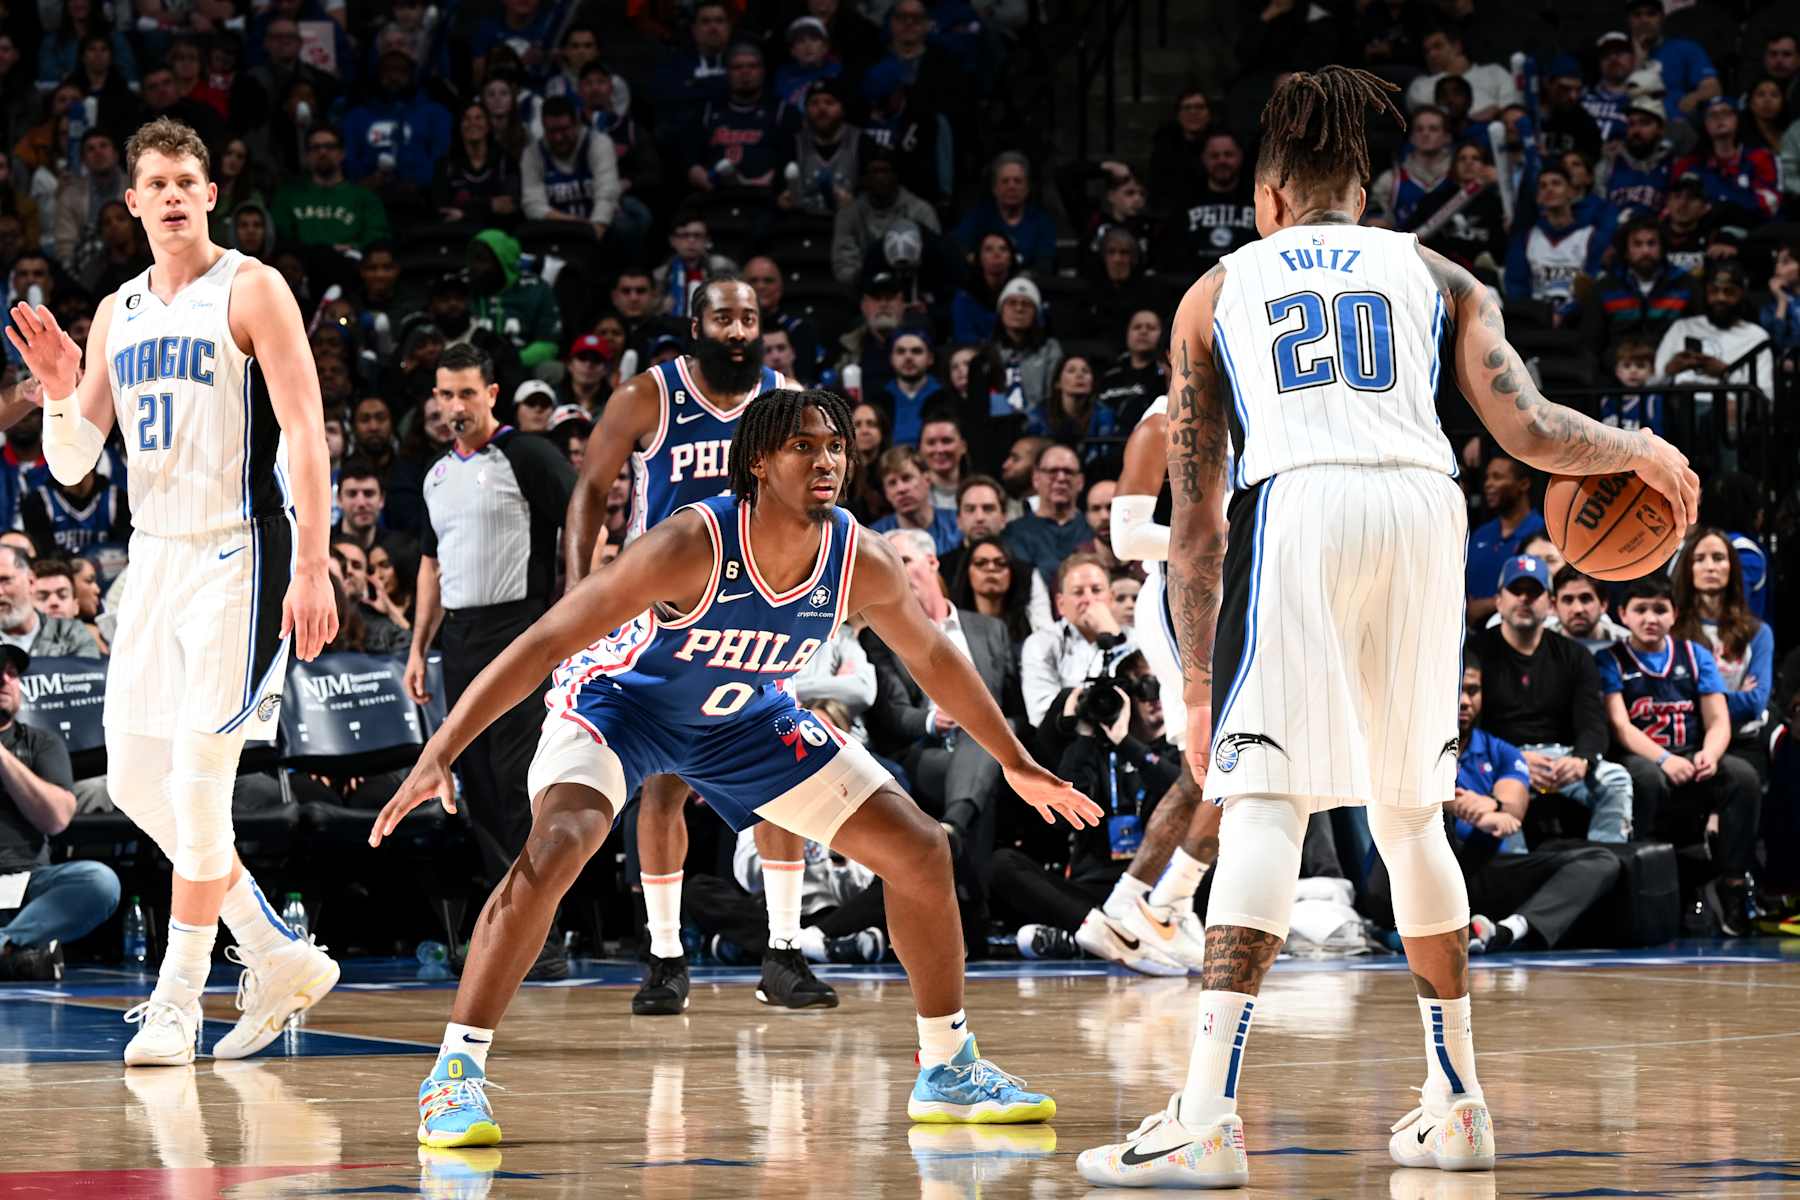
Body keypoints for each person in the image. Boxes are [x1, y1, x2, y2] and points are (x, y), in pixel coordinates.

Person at [1079, 65, 1697, 1189]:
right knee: (1414, 815)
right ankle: (1455, 1102)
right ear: (1363, 191)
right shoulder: (1437, 272)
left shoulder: (1215, 293)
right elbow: (1536, 429)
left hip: (1301, 503)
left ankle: (1207, 1117)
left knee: (1262, 799)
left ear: (1268, 195)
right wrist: (1643, 447)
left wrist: (1206, 678)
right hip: (1422, 508)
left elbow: (1202, 521)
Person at [372, 388, 1094, 1147]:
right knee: (559, 846)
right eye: (805, 447)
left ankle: (947, 1067)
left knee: (920, 848)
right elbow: (546, 643)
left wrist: (1016, 760)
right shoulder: (690, 543)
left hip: (745, 717)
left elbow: (934, 657)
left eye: (837, 448)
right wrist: (441, 748)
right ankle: (454, 1075)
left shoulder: (860, 556)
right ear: (757, 461)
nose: (827, 461)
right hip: (621, 706)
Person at [5, 117, 343, 1067]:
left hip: (240, 553)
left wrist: (314, 564)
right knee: (144, 785)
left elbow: (309, 432)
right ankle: (273, 950)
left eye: (185, 180)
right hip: (150, 561)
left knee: (199, 790)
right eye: (152, 182)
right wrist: (66, 390)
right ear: (132, 203)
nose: (170, 195)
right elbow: (73, 465)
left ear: (207, 194)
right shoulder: (117, 310)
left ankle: (177, 1000)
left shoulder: (254, 288)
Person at [560, 275, 832, 1016]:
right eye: (725, 317)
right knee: (664, 782)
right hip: (664, 612)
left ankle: (783, 950)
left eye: (749, 317)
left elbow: (820, 494)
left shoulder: (785, 399)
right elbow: (590, 490)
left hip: (756, 609)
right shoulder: (648, 395)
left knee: (785, 776)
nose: (739, 330)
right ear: (695, 323)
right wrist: (578, 591)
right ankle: (666, 956)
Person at [403, 343, 577, 977]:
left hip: (520, 630)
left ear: (492, 395)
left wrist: (572, 613)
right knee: (475, 785)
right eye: (445, 394)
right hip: (460, 638)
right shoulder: (436, 474)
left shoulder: (528, 455)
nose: (455, 406)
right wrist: (419, 648)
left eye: (467, 394)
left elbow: (584, 523)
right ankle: (511, 930)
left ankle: (545, 936)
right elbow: (430, 563)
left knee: (519, 784)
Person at [1099, 392, 1226, 972]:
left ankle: (1132, 908)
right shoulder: (1158, 426)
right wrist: (1221, 539)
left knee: (1206, 770)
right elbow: (1126, 539)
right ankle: (1161, 906)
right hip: (1179, 595)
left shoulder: (1246, 416)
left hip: (1219, 594)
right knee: (1220, 762)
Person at [1599, 576, 1760, 934]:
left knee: (1743, 777)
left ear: (1674, 614)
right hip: (1643, 756)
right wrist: (1664, 759)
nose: (1650, 618)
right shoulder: (1611, 658)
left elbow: (1718, 719)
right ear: (1623, 614)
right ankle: (1648, 887)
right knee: (1644, 777)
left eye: (1660, 609)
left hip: (1691, 753)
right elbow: (1620, 726)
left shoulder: (1694, 655)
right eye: (1640, 610)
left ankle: (1733, 885)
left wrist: (1711, 754)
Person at [1446, 662, 1623, 955]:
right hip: (1432, 869)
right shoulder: (1421, 748)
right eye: (1456, 692)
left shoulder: (1500, 750)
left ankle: (1508, 930)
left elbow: (1512, 816)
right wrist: (1460, 805)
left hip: (1487, 868)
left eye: (1473, 691)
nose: (1465, 701)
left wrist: (1491, 806)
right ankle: (1395, 932)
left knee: (1601, 860)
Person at [1469, 555, 1634, 843]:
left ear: (1551, 604)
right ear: (1498, 601)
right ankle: (1512, 876)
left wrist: (1582, 759)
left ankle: (1602, 866)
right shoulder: (1475, 652)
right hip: (1501, 759)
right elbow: (1467, 723)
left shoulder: (1575, 655)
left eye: (1534, 592)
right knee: (1498, 796)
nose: (1524, 599)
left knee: (1616, 780)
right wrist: (1514, 759)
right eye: (1515, 591)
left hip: (1562, 758)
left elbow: (1592, 722)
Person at [0, 641, 116, 981]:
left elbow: (57, 818)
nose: (6, 681)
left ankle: (8, 943)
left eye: (12, 674)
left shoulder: (42, 743)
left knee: (100, 882)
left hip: (30, 884)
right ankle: (14, 955)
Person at [1671, 528, 1774, 771]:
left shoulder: (1758, 633)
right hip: (1688, 742)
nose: (1710, 567)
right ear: (1688, 569)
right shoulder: (1672, 633)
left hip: (1743, 743)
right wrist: (1732, 696)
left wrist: (1698, 701)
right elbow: (1670, 701)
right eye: (1699, 559)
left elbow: (1755, 703)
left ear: (1732, 567)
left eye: (1718, 558)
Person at [1465, 456, 1543, 626]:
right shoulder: (1481, 534)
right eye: (1487, 478)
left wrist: (1489, 605)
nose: (1488, 484)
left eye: (1497, 477)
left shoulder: (1542, 534)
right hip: (1474, 639)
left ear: (1523, 484)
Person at [871, 445, 960, 556]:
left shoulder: (957, 524)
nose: (901, 489)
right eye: (892, 483)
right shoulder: (875, 538)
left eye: (907, 478)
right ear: (886, 493)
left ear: (927, 479)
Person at [1552, 565, 1628, 654]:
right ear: (1554, 606)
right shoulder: (1539, 644)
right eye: (1568, 600)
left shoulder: (1627, 645)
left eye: (1585, 599)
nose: (1578, 609)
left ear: (1603, 605)